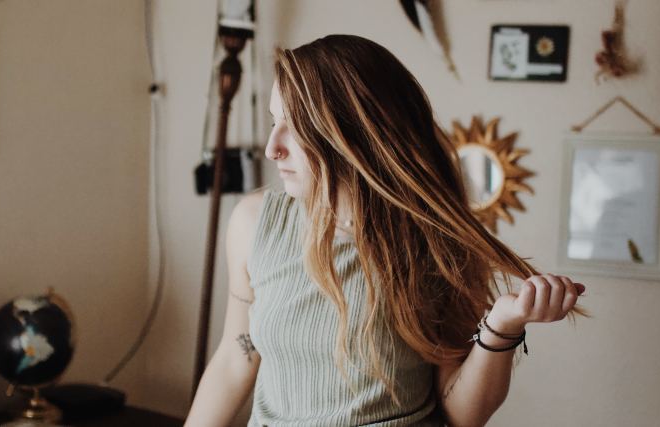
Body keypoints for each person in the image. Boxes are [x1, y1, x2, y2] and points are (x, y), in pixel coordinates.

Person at [185, 35, 586, 427]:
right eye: (275, 122)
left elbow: (464, 415)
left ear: (352, 134)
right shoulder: (254, 223)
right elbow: (236, 357)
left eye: (295, 126)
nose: (273, 147)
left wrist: (503, 326)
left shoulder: (433, 242)